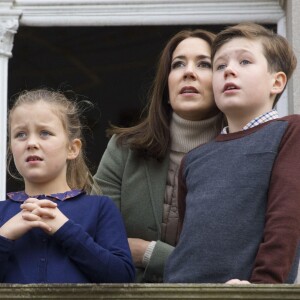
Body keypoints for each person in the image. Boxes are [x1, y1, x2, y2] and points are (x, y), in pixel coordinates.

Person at [164, 22, 300, 284]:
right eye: (220, 66)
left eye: (245, 62)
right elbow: (187, 241)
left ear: (277, 81)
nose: (229, 72)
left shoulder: (290, 131)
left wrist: (264, 287)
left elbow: (286, 220)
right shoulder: (194, 159)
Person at [92, 29, 224, 282]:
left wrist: (148, 253)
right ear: (166, 82)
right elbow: (101, 239)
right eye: (178, 64)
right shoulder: (123, 148)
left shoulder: (241, 156)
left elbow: (224, 262)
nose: (188, 72)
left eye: (204, 64)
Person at [0, 89, 135, 283]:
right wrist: (4, 236)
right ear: (11, 148)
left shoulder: (100, 208)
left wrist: (65, 229)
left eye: (45, 133)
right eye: (20, 134)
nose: (31, 143)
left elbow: (122, 277)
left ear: (72, 148)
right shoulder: (2, 213)